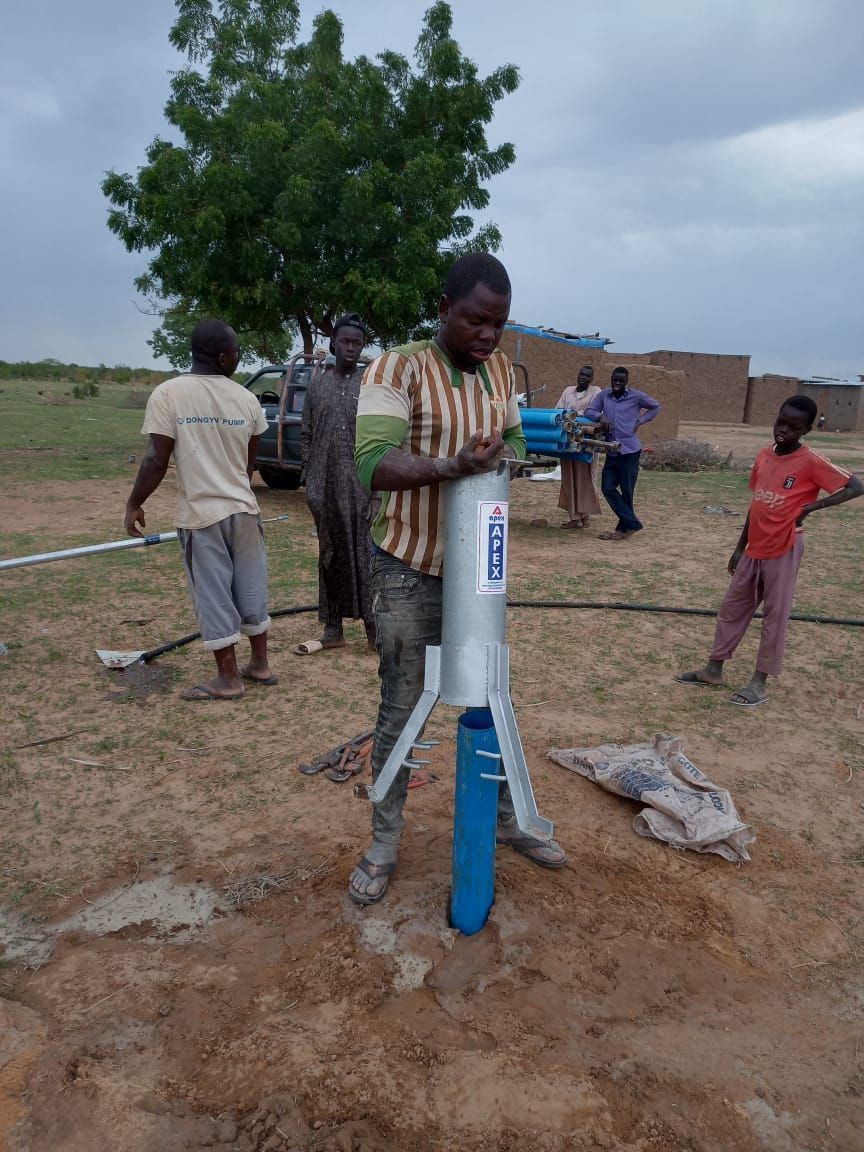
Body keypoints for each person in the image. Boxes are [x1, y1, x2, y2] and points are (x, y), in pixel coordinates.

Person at [349, 252, 567, 905]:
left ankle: (506, 822)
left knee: (488, 697)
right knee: (402, 706)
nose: (489, 336)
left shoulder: (500, 370)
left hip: (480, 569)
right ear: (444, 308)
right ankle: (384, 844)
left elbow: (514, 447)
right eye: (476, 320)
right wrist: (451, 467)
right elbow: (373, 464)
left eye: (499, 324)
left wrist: (510, 459)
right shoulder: (398, 367)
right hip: (409, 566)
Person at [124, 319, 277, 701]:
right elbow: (248, 464)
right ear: (223, 356)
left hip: (201, 515)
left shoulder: (168, 394)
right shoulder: (246, 399)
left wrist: (134, 503)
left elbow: (156, 459)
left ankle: (229, 679)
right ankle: (260, 664)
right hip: (244, 510)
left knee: (213, 594)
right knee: (251, 587)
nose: (239, 358)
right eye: (237, 351)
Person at [676, 395, 862, 706]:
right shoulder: (764, 456)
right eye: (781, 422)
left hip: (784, 547)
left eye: (793, 427)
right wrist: (739, 547)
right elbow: (757, 503)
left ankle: (759, 682)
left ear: (806, 430)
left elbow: (856, 486)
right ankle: (713, 668)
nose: (783, 430)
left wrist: (813, 506)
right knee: (732, 608)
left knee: (775, 616)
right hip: (754, 548)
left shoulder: (811, 461)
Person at [299, 313, 375, 653]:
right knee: (329, 556)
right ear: (333, 344)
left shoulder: (370, 388)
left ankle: (376, 632)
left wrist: (378, 494)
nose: (350, 348)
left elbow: (380, 442)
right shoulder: (317, 385)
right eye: (345, 341)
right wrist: (308, 480)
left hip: (361, 490)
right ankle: (333, 629)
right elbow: (306, 435)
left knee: (366, 558)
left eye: (357, 343)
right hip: (323, 488)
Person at [585, 366, 661, 540]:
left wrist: (641, 421)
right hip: (612, 450)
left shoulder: (636, 396)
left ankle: (623, 529)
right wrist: (600, 417)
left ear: (627, 382)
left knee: (627, 491)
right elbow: (589, 411)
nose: (617, 383)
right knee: (607, 487)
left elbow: (655, 406)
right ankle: (632, 523)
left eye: (621, 381)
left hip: (630, 451)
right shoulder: (604, 395)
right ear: (611, 379)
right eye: (615, 380)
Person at [557, 364, 602, 529]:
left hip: (587, 441)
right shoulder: (568, 391)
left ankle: (585, 515)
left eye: (587, 376)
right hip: (568, 440)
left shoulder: (596, 392)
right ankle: (574, 518)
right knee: (569, 478)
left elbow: (594, 412)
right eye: (581, 374)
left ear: (591, 379)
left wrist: (575, 417)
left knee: (587, 479)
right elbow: (559, 410)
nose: (583, 377)